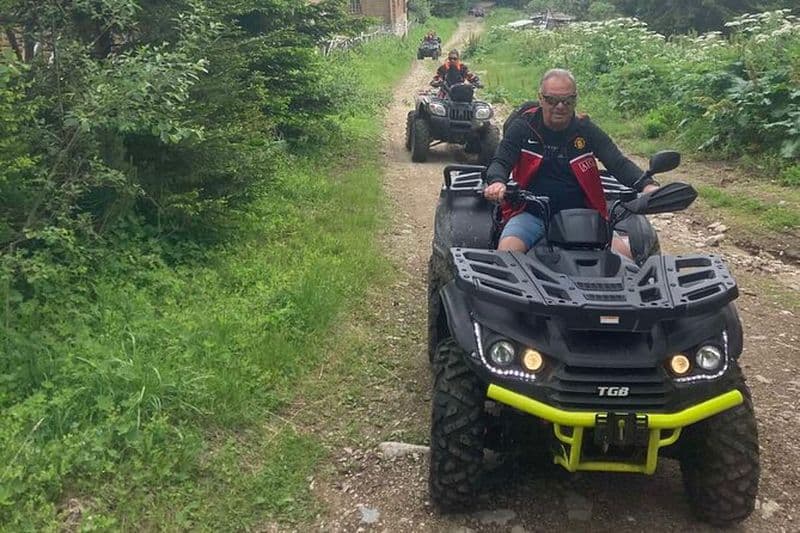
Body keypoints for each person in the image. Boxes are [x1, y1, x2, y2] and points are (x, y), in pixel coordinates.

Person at [483, 68, 660, 258]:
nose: (560, 106)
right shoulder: (523, 128)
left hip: (583, 214)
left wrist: (647, 185)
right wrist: (497, 182)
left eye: (567, 100)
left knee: (625, 258)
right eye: (552, 100)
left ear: (575, 100)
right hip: (532, 213)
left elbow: (617, 161)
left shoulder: (585, 129)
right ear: (541, 98)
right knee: (507, 254)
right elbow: (501, 160)